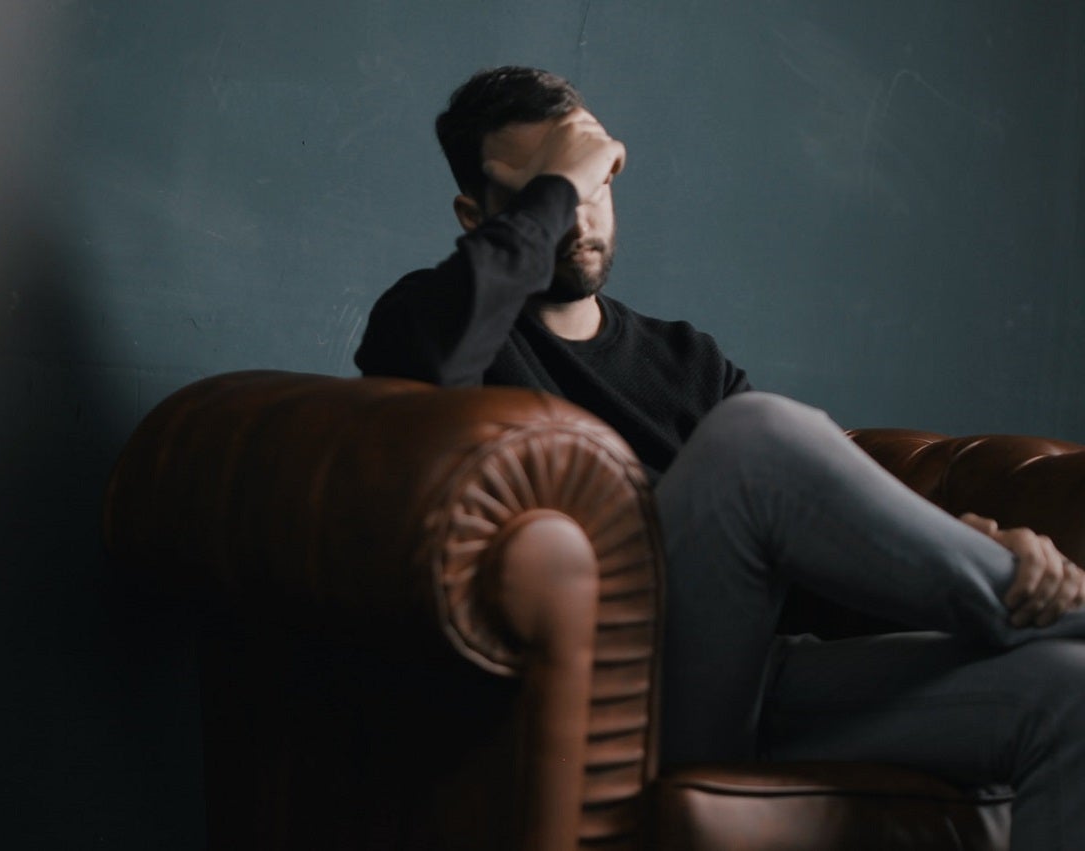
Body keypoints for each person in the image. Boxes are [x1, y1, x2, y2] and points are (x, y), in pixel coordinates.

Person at [355, 66, 1085, 849]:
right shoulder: (432, 320)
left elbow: (801, 566)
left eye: (595, 182)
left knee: (1067, 692)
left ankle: (1021, 603)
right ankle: (1030, 605)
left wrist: (947, 544)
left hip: (755, 683)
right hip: (617, 698)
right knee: (754, 436)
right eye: (550, 190)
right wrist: (560, 184)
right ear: (477, 216)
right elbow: (422, 369)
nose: (579, 214)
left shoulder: (685, 359)